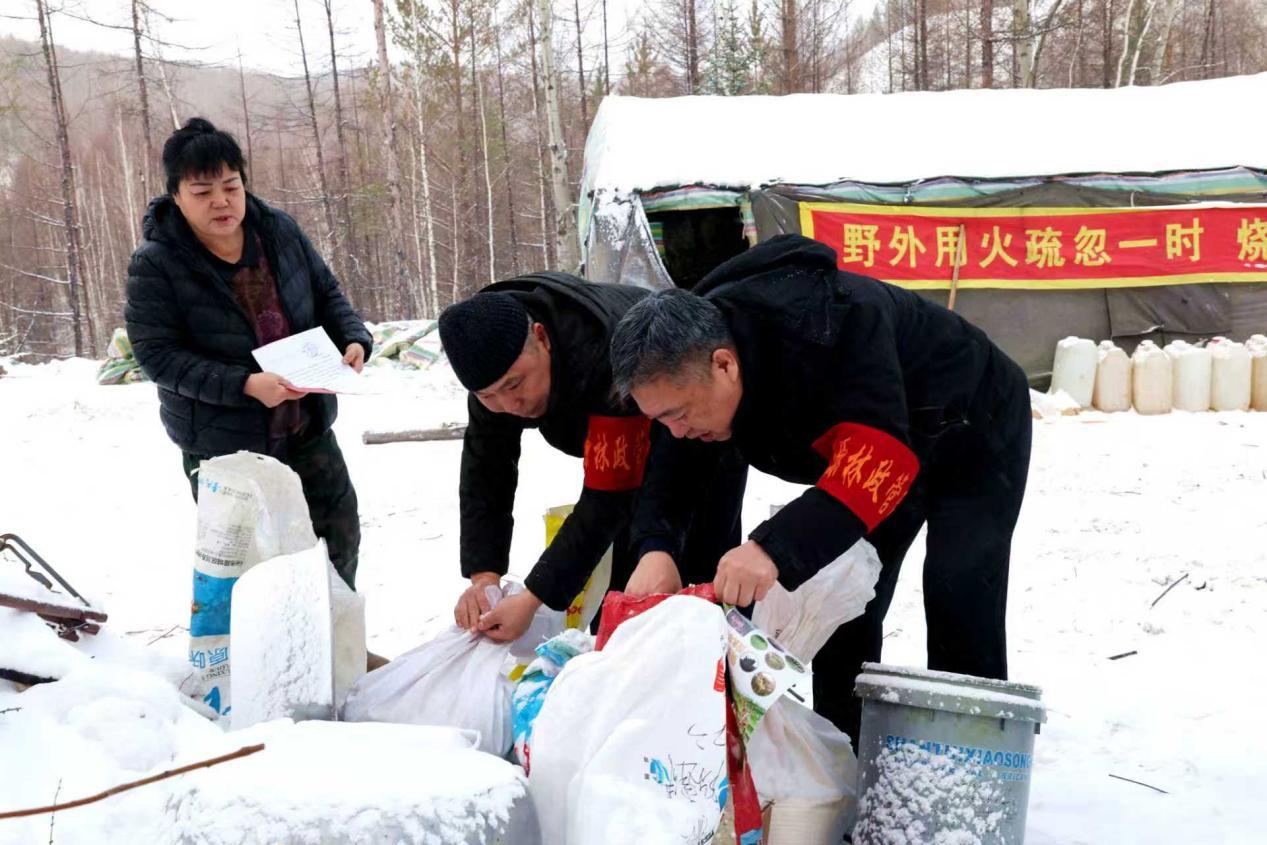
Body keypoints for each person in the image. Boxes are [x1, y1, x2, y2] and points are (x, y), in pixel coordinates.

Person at [610, 234, 1032, 744]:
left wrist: (771, 548)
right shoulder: (690, 366)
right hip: (874, 444)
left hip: (972, 425)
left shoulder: (828, 325)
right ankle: (842, 756)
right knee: (845, 598)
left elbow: (881, 457)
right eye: (661, 419)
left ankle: (973, 759)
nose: (676, 431)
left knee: (960, 587)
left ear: (724, 364)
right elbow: (673, 470)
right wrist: (656, 547)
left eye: (678, 415)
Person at [125, 117, 371, 593]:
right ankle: (266, 642)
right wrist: (244, 385)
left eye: (231, 186)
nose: (221, 201)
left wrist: (353, 338)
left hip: (305, 426)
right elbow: (157, 356)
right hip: (225, 447)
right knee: (253, 569)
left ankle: (330, 634)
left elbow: (326, 292)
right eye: (202, 191)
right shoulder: (157, 263)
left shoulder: (278, 231)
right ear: (176, 196)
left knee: (337, 542)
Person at [438, 273, 747, 642]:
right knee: (620, 599)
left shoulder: (597, 350)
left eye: (515, 385)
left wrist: (534, 598)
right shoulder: (490, 363)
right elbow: (486, 470)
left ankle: (717, 660)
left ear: (541, 337)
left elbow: (608, 497)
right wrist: (484, 574)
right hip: (630, 443)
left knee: (690, 576)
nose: (510, 404)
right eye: (488, 396)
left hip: (698, 430)